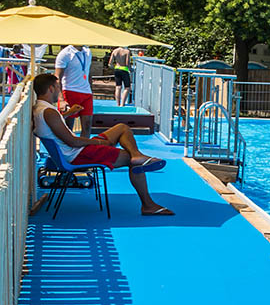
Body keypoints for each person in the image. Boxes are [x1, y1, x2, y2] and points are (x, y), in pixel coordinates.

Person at [32, 73, 172, 216]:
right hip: (78, 155)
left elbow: (54, 127)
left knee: (122, 127)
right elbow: (72, 141)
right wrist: (98, 142)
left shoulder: (40, 109)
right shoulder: (49, 112)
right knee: (133, 162)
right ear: (50, 89)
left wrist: (67, 114)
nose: (60, 91)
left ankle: (137, 155)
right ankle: (148, 204)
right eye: (58, 87)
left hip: (74, 151)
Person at [54, 45, 93, 136]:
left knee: (87, 125)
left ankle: (84, 149)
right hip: (69, 91)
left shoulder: (88, 51)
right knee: (67, 127)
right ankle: (66, 149)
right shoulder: (65, 54)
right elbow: (57, 77)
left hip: (86, 93)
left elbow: (88, 72)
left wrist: (91, 90)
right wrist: (61, 100)